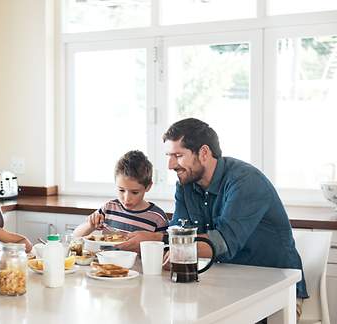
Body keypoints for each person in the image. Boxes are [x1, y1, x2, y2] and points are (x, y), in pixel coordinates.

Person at [125, 118, 308, 318]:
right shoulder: (186, 184)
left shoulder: (245, 181)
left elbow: (223, 243)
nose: (170, 165)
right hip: (226, 280)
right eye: (169, 156)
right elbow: (178, 233)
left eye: (178, 155)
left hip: (276, 285)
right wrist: (162, 248)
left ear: (203, 153)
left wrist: (155, 239)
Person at [73, 150, 168, 239]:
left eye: (135, 192)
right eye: (121, 190)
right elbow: (75, 236)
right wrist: (90, 225)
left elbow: (165, 249)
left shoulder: (157, 217)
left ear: (148, 187)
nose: (127, 199)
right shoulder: (109, 208)